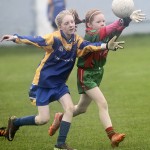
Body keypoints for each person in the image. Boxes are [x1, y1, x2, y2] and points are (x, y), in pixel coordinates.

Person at [0, 10, 124, 150]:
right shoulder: (54, 39)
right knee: (43, 119)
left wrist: (106, 46)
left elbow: (88, 46)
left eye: (72, 22)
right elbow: (36, 40)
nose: (71, 25)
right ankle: (15, 122)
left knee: (70, 108)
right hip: (44, 84)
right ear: (60, 26)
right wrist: (16, 37)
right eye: (67, 23)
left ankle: (60, 144)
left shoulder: (76, 40)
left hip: (60, 85)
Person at [48, 9, 146, 148]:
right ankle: (112, 135)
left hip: (97, 73)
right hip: (86, 75)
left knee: (82, 108)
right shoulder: (91, 34)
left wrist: (126, 22)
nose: (102, 23)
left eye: (103, 21)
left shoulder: (102, 32)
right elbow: (108, 29)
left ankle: (60, 117)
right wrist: (123, 20)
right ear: (89, 24)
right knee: (103, 103)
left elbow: (115, 31)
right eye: (98, 21)